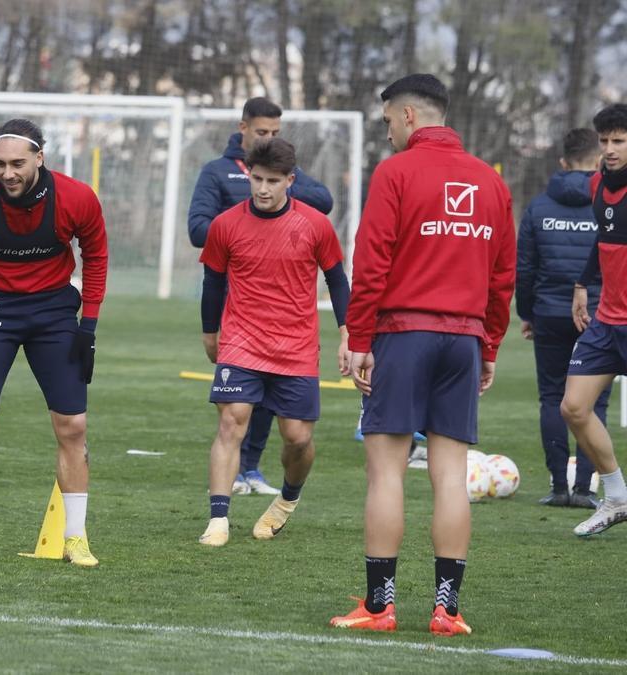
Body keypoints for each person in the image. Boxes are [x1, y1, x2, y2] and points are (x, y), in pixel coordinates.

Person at [331, 74, 515, 636]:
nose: (386, 133)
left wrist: (359, 340)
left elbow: (372, 261)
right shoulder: (490, 181)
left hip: (403, 336)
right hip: (462, 340)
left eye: (387, 121)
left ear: (409, 115)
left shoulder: (397, 172)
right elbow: (502, 277)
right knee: (450, 476)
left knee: (385, 471)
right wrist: (488, 346)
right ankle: (447, 610)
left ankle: (380, 606)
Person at [0, 118, 108, 567]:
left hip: (54, 313)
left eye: (18, 163)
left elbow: (98, 257)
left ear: (40, 158)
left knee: (73, 427)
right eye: (0, 164)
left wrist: (88, 328)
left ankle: (75, 537)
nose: (8, 173)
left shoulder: (77, 198)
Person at [197, 138, 350, 548]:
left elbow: (337, 279)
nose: (263, 189)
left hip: (296, 345)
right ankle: (218, 519)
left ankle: (286, 500)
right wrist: (210, 331)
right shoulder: (226, 224)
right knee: (232, 421)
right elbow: (213, 281)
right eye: (257, 179)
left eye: (273, 181)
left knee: (297, 437)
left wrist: (347, 332)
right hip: (241, 339)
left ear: (290, 181)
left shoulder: (315, 225)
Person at [187, 96, 334, 497]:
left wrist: (275, 199)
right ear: (243, 128)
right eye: (261, 132)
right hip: (237, 299)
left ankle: (251, 467)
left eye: (274, 133)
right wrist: (245, 218)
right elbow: (198, 227)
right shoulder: (216, 172)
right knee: (236, 410)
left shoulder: (281, 176)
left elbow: (323, 200)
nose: (267, 137)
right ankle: (230, 486)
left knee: (282, 412)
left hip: (284, 307)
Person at [517, 128, 608, 509]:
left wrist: (527, 313)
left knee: (553, 396)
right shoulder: (610, 204)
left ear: (563, 163)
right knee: (595, 403)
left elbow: (523, 268)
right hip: (601, 314)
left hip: (549, 313)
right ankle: (585, 489)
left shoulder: (539, 207)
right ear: (599, 160)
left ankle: (558, 487)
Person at [562, 103, 627, 536]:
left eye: (619, 141)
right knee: (574, 407)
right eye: (604, 141)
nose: (609, 148)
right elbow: (603, 241)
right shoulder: (598, 183)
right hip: (607, 321)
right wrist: (582, 284)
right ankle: (617, 497)